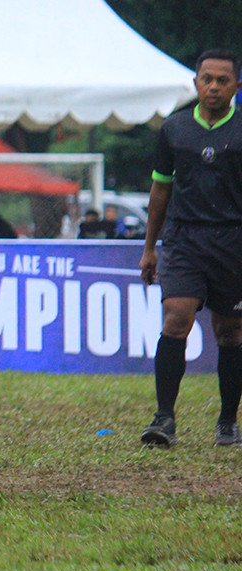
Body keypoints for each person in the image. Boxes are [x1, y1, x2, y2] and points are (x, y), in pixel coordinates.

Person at [138, 48, 242, 449]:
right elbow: (161, 188)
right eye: (206, 79)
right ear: (196, 82)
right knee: (176, 319)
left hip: (233, 240)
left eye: (222, 80)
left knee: (230, 332)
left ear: (236, 85)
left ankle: (228, 422)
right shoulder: (174, 130)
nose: (213, 86)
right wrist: (150, 247)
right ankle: (164, 418)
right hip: (184, 238)